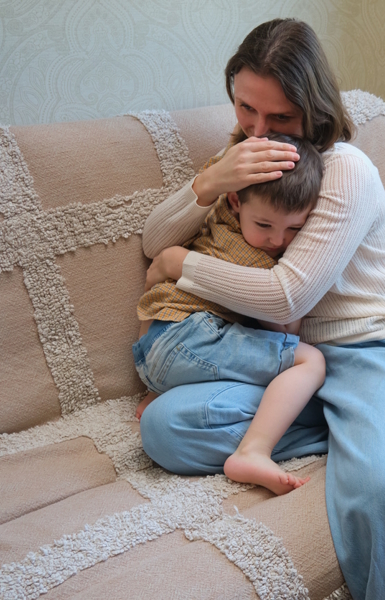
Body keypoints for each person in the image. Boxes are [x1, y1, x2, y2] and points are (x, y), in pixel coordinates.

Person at [139, 17, 385, 600]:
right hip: (290, 362)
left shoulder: (344, 169)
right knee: (164, 428)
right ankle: (362, 426)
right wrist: (209, 182)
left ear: (314, 109)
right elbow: (152, 239)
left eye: (279, 118)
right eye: (244, 110)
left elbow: (289, 296)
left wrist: (183, 265)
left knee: (384, 488)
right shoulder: (240, 160)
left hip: (375, 345)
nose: (259, 131)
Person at [133, 131, 326, 495]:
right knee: (308, 362)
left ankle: (164, 388)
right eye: (265, 225)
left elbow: (158, 292)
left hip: (154, 343)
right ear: (236, 202)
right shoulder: (253, 258)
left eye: (295, 228)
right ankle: (254, 452)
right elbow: (286, 326)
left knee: (249, 353)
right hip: (189, 338)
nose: (277, 241)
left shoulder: (216, 220)